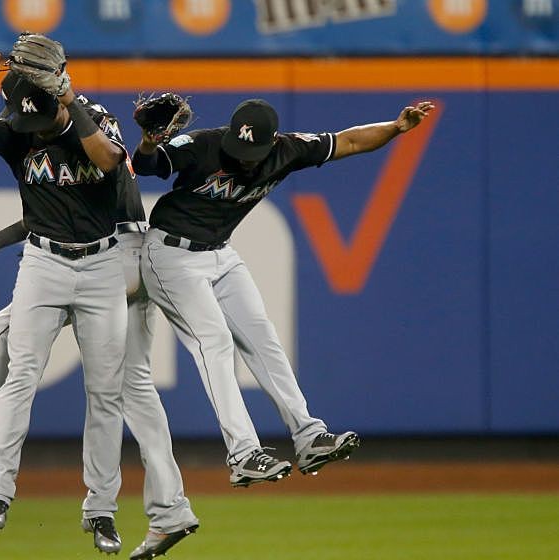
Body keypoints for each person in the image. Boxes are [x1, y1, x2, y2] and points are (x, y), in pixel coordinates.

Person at [0, 39, 198, 559]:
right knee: (50, 373)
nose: (24, 125)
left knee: (115, 390)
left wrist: (68, 97)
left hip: (116, 256)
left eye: (33, 110)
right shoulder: (21, 122)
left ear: (54, 96)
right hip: (53, 261)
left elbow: (100, 168)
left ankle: (112, 506)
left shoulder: (90, 121)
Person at [132, 97, 435, 482]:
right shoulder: (204, 144)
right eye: (237, 149)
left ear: (272, 142)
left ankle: (308, 436)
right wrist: (148, 141)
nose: (242, 158)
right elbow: (147, 166)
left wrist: (395, 128)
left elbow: (351, 142)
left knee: (263, 338)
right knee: (214, 343)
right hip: (169, 254)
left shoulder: (289, 149)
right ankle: (243, 454)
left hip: (220, 253)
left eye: (251, 151)